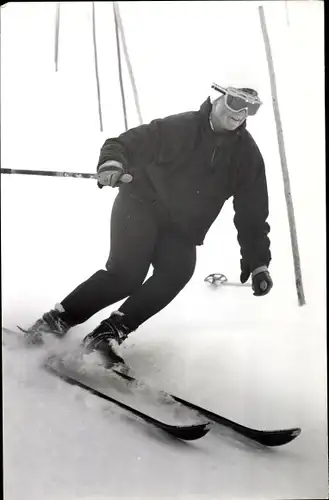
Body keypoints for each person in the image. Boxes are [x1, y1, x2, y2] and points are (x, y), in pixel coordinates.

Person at [24, 84, 273, 366]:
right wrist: (112, 164)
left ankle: (107, 335)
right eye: (235, 102)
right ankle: (54, 322)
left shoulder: (247, 156)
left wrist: (258, 262)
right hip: (141, 204)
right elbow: (123, 144)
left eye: (250, 108)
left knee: (177, 271)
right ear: (217, 100)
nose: (240, 113)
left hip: (181, 228)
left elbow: (252, 213)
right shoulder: (181, 127)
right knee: (125, 275)